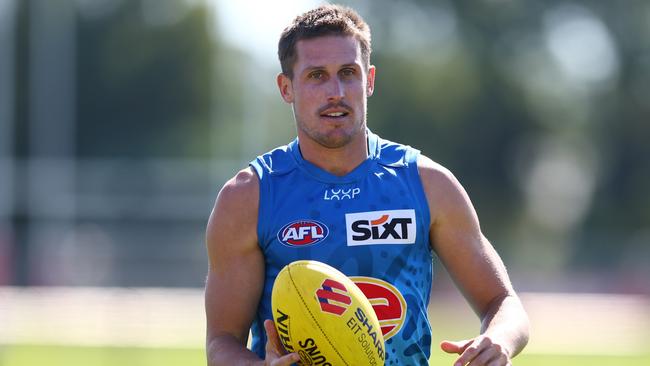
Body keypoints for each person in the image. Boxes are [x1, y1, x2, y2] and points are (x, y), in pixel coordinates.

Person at [205, 4, 529, 366]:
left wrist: (498, 340)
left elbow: (504, 302)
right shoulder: (250, 196)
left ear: (369, 80)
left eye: (348, 73)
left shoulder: (427, 184)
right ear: (286, 87)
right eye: (316, 76)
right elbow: (221, 342)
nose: (336, 91)